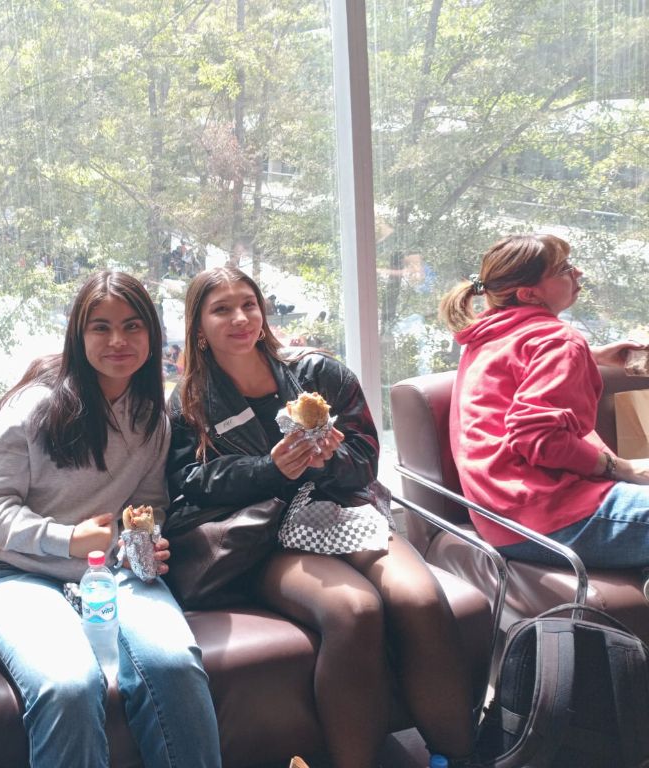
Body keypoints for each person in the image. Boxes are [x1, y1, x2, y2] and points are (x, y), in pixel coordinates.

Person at [168, 266, 475, 768]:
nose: (240, 318)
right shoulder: (191, 402)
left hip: (339, 509)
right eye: (221, 310)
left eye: (248, 304)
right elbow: (189, 482)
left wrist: (328, 459)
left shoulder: (318, 374)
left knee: (419, 598)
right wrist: (269, 470)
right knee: (353, 610)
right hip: (263, 534)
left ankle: (455, 756)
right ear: (198, 328)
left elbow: (366, 458)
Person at [0, 271, 222, 768]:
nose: (118, 341)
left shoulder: (150, 416)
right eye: (100, 328)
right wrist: (66, 539)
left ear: (152, 333)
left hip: (111, 569)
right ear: (78, 335)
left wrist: (139, 541)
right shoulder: (35, 405)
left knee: (175, 664)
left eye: (132, 326)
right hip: (17, 573)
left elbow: (149, 503)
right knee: (68, 684)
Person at [440, 233, 649, 571]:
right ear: (529, 294)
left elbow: (518, 362)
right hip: (550, 516)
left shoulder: (488, 332)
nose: (578, 272)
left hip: (500, 517)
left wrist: (590, 355)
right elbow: (538, 438)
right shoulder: (558, 341)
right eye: (564, 269)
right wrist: (622, 467)